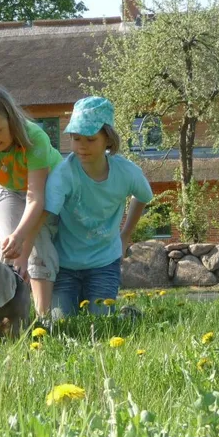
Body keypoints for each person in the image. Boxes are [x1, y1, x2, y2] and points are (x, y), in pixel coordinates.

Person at [44, 96, 154, 318]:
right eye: (76, 139)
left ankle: (129, 316)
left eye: (90, 139)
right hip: (65, 264)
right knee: (61, 322)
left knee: (101, 321)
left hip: (104, 262)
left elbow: (143, 196)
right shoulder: (63, 174)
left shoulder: (126, 172)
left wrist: (125, 235)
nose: (81, 147)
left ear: (108, 140)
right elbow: (46, 215)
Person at [0, 84, 63, 318]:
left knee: (40, 246)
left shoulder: (34, 138)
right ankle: (9, 315)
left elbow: (35, 197)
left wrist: (22, 238)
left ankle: (43, 317)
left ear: (11, 121)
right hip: (8, 189)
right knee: (9, 248)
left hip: (46, 190)